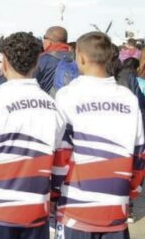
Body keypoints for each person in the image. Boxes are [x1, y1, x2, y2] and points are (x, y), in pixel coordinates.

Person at [0, 32, 66, 239]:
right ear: (37, 63)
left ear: (4, 62)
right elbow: (59, 162)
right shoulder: (54, 107)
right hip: (36, 208)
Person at [54, 32, 144, 239]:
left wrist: (54, 193)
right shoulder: (128, 99)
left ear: (81, 57)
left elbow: (61, 152)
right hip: (116, 205)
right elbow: (139, 154)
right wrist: (129, 191)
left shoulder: (67, 96)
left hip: (76, 206)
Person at [35, 26, 71, 94]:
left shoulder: (41, 60)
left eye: (44, 38)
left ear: (49, 42)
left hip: (47, 102)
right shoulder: (78, 59)